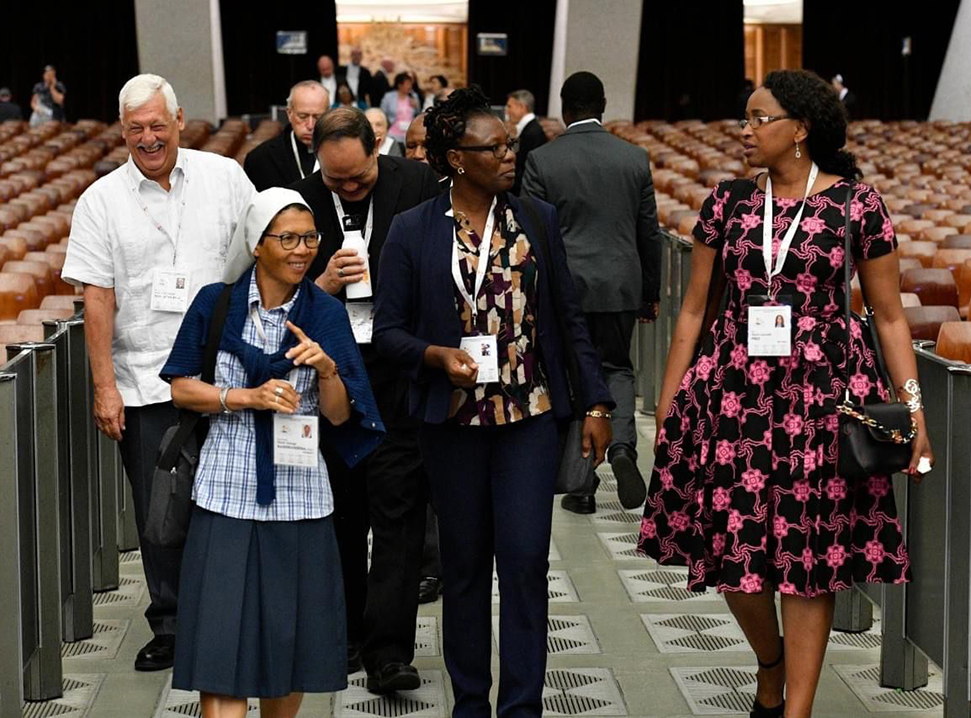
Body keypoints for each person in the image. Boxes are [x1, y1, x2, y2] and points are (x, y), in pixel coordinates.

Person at [639, 69, 933, 718]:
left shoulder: (858, 205)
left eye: (757, 118)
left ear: (798, 129)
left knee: (808, 559)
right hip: (734, 394)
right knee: (733, 552)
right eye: (744, 118)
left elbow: (887, 317)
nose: (744, 130)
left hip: (823, 400)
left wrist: (913, 411)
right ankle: (769, 663)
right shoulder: (727, 204)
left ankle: (792, 709)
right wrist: (669, 401)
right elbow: (692, 311)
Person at [373, 86, 613, 717]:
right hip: (451, 424)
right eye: (495, 147)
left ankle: (523, 707)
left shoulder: (537, 218)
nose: (512, 155)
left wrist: (596, 403)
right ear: (456, 157)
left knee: (528, 561)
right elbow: (389, 330)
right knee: (465, 566)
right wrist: (434, 356)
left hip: (528, 418)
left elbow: (569, 316)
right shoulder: (411, 230)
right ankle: (471, 705)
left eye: (511, 143)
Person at [163, 187, 384, 718]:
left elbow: (338, 416)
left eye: (309, 238)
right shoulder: (216, 304)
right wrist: (245, 397)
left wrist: (328, 370)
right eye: (287, 238)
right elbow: (180, 388)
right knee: (221, 645)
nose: (302, 249)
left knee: (291, 643)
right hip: (225, 491)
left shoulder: (326, 313)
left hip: (299, 493)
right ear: (256, 245)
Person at [61, 73, 255, 672]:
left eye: (156, 124)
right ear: (123, 132)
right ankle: (170, 623)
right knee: (161, 512)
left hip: (227, 376)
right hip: (145, 380)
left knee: (234, 500)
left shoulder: (225, 177)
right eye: (135, 128)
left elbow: (265, 250)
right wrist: (105, 389)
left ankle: (234, 612)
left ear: (178, 120)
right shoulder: (100, 201)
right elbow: (97, 298)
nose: (148, 138)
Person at [291, 108, 441, 691]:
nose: (350, 189)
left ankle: (389, 652)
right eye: (337, 182)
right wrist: (320, 286)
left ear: (378, 147)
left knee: (399, 514)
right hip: (330, 380)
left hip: (398, 374)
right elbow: (272, 288)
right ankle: (346, 633)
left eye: (360, 178)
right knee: (341, 515)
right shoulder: (298, 201)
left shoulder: (417, 185)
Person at [522, 70, 662, 514]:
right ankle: (622, 447)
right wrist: (650, 291)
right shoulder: (634, 158)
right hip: (621, 283)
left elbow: (532, 234)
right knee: (617, 369)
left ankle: (581, 485)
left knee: (570, 375)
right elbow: (649, 233)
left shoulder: (542, 160)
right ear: (602, 105)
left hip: (566, 290)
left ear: (565, 108)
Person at [244, 81, 329, 191]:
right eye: (303, 116)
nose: (310, 125)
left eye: (318, 117)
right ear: (289, 113)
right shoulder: (261, 159)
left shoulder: (341, 153)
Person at [505, 89, 546, 195]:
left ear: (522, 107)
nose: (507, 111)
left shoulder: (532, 132)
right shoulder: (528, 129)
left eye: (510, 106)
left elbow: (523, 165)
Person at [380, 73, 419, 144]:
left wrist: (416, 106)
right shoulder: (389, 96)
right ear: (400, 85)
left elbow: (418, 114)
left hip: (409, 133)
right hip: (393, 133)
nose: (410, 86)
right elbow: (382, 113)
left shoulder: (414, 96)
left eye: (411, 84)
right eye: (407, 84)